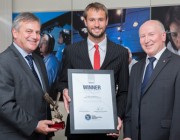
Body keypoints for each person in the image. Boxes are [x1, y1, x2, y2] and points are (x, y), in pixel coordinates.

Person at [57, 2, 129, 140]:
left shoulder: (120, 53)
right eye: (92, 20)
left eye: (100, 19)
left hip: (108, 129)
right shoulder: (71, 51)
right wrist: (65, 90)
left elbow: (124, 91)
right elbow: (61, 82)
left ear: (107, 21)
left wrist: (117, 117)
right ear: (85, 21)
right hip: (77, 128)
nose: (96, 24)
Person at [0, 12, 58, 140]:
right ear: (15, 33)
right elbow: (4, 105)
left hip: (41, 135)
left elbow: (43, 97)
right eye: (29, 31)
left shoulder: (38, 61)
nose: (35, 36)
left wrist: (48, 130)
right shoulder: (3, 62)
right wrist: (34, 125)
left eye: (37, 32)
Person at [123, 20, 180, 140]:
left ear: (163, 36)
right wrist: (127, 135)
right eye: (142, 36)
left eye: (151, 34)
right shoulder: (136, 68)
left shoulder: (177, 64)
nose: (146, 40)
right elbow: (130, 107)